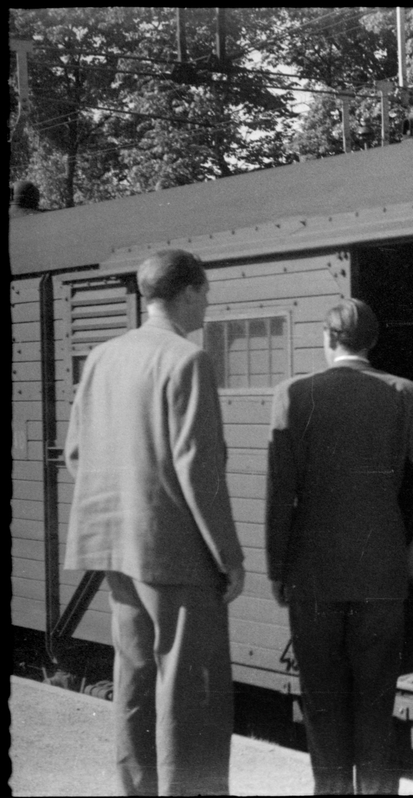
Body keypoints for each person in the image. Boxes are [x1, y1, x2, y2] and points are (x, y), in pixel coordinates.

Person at [64, 249, 245, 796]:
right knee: (191, 692)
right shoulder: (187, 360)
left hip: (116, 548)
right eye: (205, 292)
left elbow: (76, 453)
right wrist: (229, 557)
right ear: (187, 292)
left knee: (135, 678)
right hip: (177, 555)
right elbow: (198, 470)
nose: (208, 304)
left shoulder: (102, 357)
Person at [266, 298, 413, 795]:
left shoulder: (293, 393)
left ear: (328, 339)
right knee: (376, 702)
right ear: (373, 342)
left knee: (322, 702)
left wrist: (277, 567)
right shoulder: (406, 393)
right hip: (381, 569)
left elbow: (280, 492)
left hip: (312, 572)